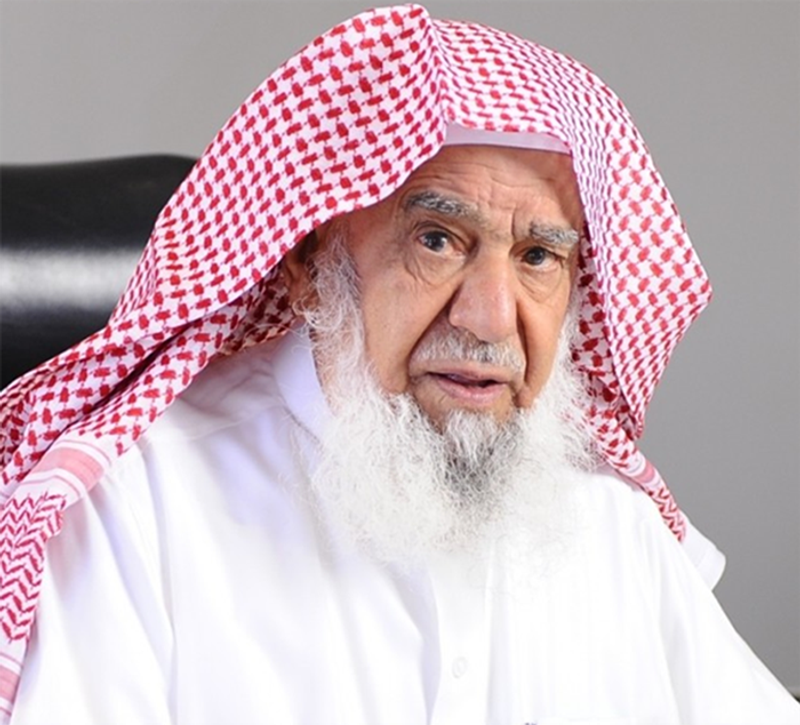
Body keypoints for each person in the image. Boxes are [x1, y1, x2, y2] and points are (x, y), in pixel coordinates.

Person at [0, 5, 798, 724]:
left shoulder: (612, 527)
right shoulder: (138, 511)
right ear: (310, 262)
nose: (491, 317)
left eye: (538, 257)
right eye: (438, 241)